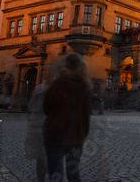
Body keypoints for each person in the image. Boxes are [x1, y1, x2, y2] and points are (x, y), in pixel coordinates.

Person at [43, 52, 92, 182]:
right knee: (74, 174)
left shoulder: (59, 83)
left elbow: (46, 108)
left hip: (56, 135)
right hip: (77, 136)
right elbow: (87, 112)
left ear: (66, 66)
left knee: (55, 175)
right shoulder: (85, 86)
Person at [25, 80, 50, 182]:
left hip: (46, 127)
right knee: (42, 157)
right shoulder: (38, 89)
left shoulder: (38, 89)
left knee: (44, 157)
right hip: (42, 127)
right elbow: (31, 107)